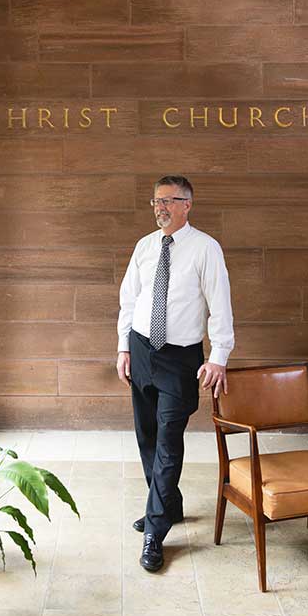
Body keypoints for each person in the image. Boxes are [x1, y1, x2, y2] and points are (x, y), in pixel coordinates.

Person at [116, 175, 234, 572]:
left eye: (168, 201)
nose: (160, 208)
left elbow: (220, 305)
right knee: (147, 435)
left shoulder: (206, 249)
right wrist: (122, 347)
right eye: (155, 201)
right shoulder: (145, 247)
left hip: (180, 358)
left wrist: (218, 356)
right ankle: (168, 503)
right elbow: (129, 299)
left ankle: (155, 530)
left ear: (187, 205)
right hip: (141, 349)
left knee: (168, 439)